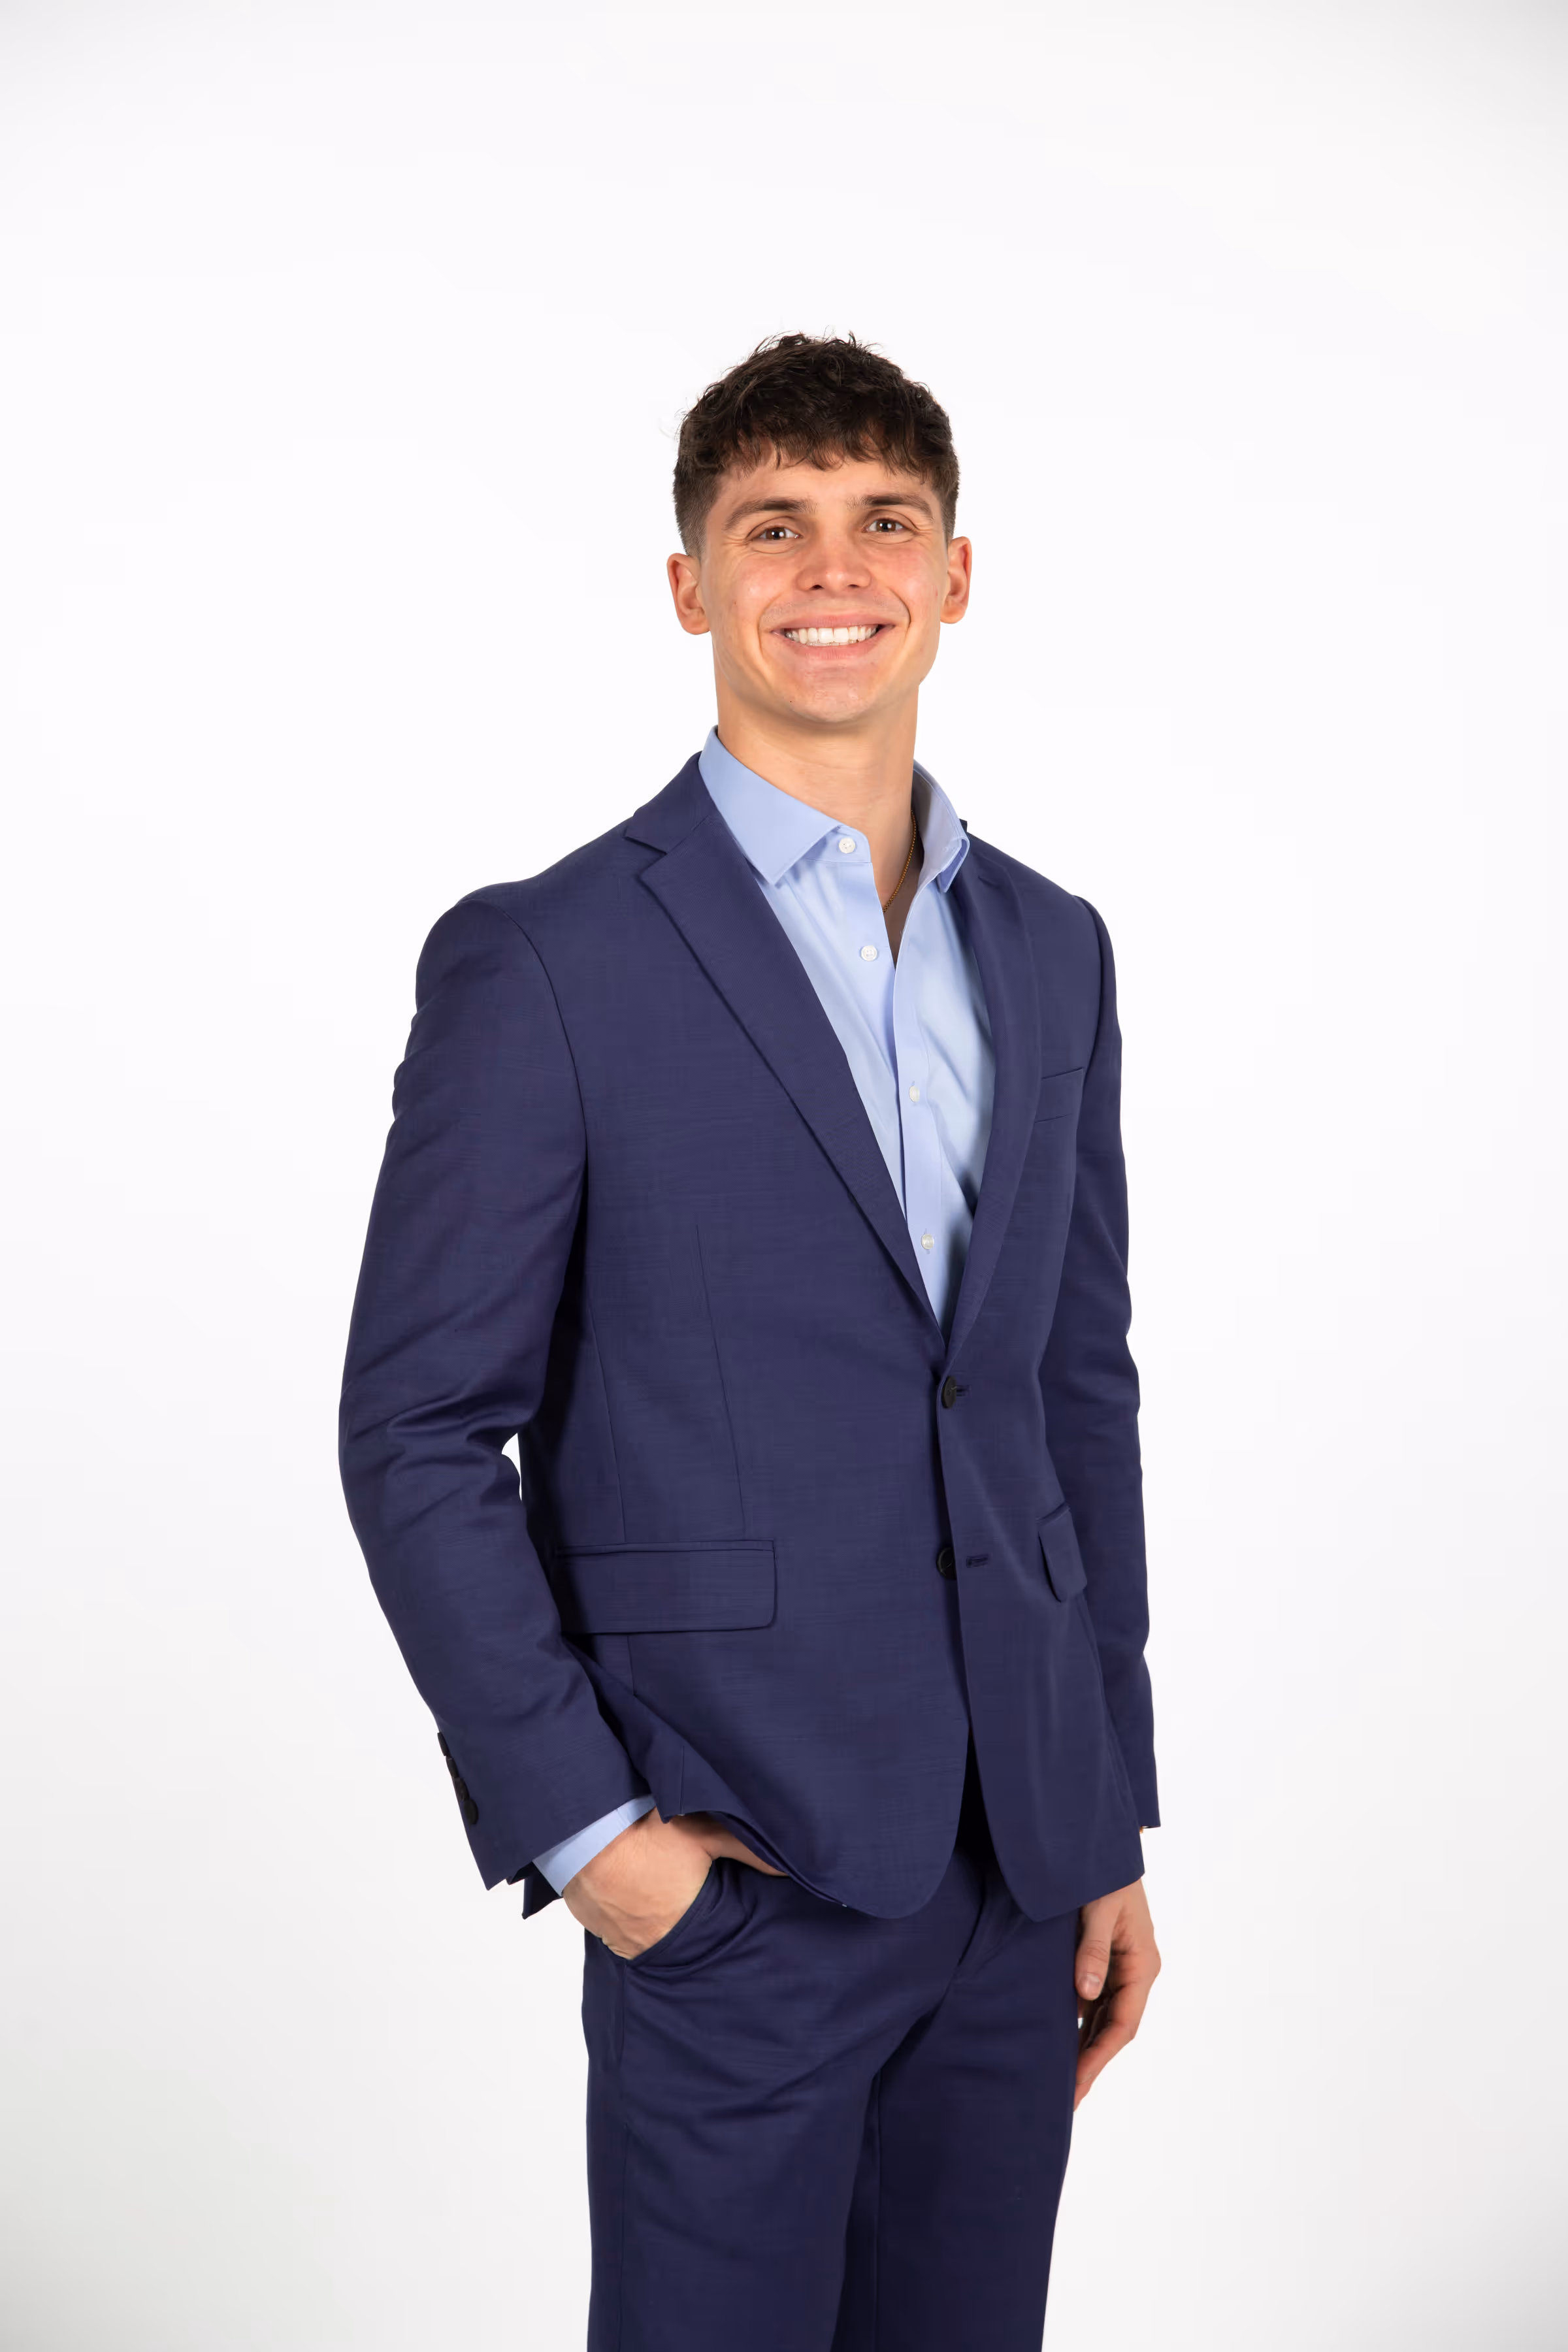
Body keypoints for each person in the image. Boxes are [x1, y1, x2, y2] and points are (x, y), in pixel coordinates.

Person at [340, 331, 1160, 2351]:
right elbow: (421, 1427)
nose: (834, 569)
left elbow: (1070, 1390)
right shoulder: (547, 958)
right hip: (739, 1873)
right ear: (691, 584)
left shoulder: (1051, 947)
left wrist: (1106, 1812)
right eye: (770, 525)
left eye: (886, 523)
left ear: (956, 577)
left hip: (1017, 1879)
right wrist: (599, 1844)